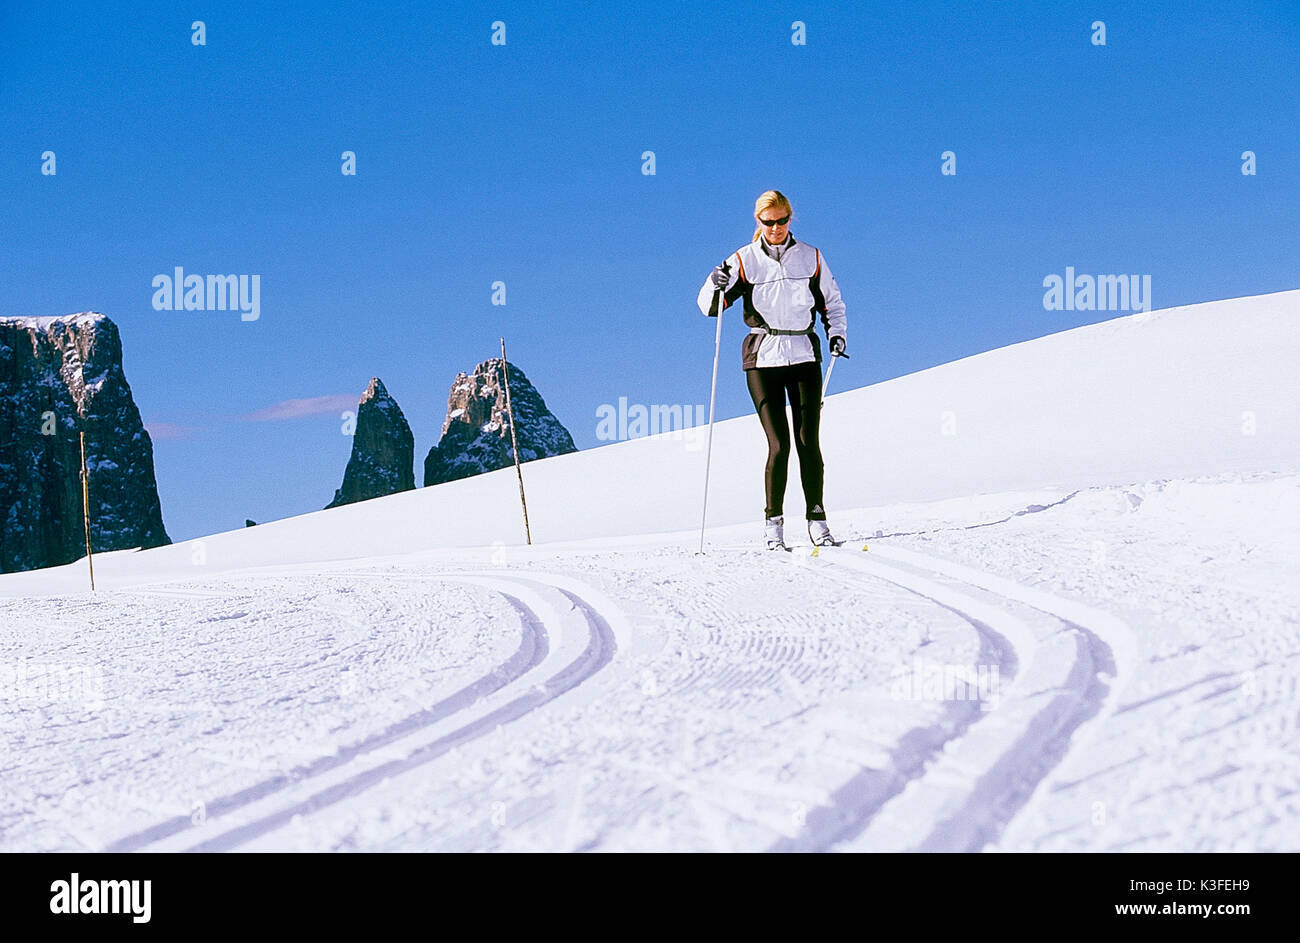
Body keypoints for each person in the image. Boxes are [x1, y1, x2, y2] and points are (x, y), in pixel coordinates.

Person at [697, 189, 847, 550]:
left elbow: (833, 302)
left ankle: (817, 520)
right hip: (763, 359)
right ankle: (773, 526)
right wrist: (713, 284)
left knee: (808, 442)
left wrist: (837, 335)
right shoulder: (744, 260)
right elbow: (708, 307)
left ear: (790, 219)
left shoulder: (811, 257)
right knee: (779, 445)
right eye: (768, 222)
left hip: (804, 355)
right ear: (758, 222)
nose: (776, 228)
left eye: (781, 221)